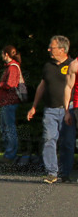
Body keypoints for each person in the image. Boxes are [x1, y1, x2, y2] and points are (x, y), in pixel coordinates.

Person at [26, 36, 73, 184]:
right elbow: (42, 86)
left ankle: (65, 174)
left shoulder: (73, 65)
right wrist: (34, 106)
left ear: (62, 49)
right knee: (48, 139)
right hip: (50, 110)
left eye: (51, 47)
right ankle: (52, 172)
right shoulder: (48, 66)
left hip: (68, 110)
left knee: (67, 142)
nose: (48, 50)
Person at [0, 46, 22, 163]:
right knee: (6, 128)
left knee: (9, 129)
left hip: (9, 102)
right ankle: (9, 153)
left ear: (6, 54)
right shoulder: (10, 67)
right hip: (6, 102)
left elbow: (10, 84)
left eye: (2, 53)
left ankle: (10, 155)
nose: (1, 56)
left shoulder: (12, 67)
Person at [60, 55, 78, 180]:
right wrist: (66, 112)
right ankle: (65, 173)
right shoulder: (75, 64)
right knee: (68, 142)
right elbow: (68, 87)